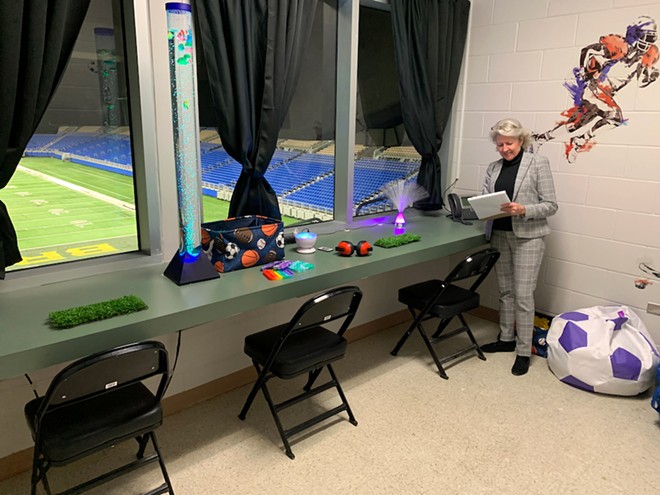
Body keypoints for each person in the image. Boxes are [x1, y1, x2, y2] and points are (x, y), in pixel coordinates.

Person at [480, 118, 558, 376]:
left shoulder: (538, 163)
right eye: (500, 144)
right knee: (505, 292)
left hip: (528, 237)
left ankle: (523, 351)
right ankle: (506, 339)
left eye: (509, 143)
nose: (504, 149)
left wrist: (523, 209)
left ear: (521, 140)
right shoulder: (493, 168)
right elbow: (486, 199)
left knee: (523, 296)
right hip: (500, 235)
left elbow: (550, 205)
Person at [534, 16, 659, 162]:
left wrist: (650, 76)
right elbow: (588, 50)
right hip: (596, 87)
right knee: (614, 117)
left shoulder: (648, 53)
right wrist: (582, 69)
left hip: (608, 93)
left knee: (576, 124)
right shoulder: (620, 45)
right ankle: (579, 140)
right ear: (635, 34)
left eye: (651, 38)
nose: (648, 42)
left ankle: (541, 138)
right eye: (646, 37)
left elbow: (642, 77)